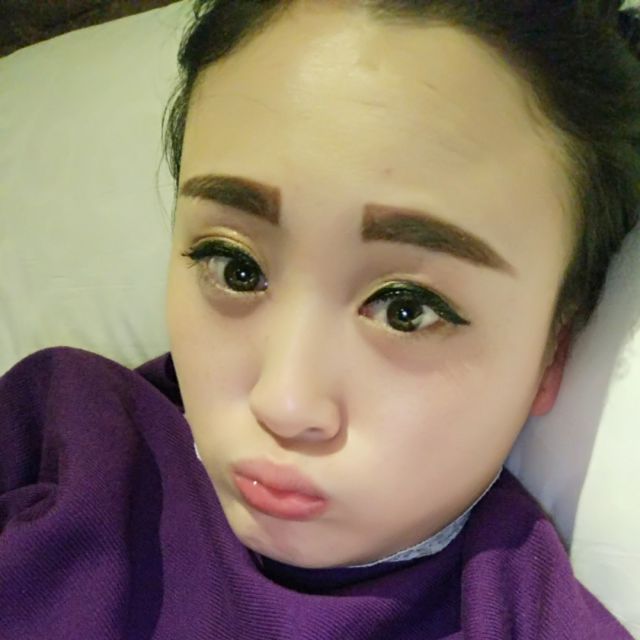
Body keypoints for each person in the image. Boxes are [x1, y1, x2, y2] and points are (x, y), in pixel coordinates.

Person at [1, 0, 638, 637]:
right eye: (236, 267)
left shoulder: (525, 620)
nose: (284, 404)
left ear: (553, 351)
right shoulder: (57, 433)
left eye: (406, 309)